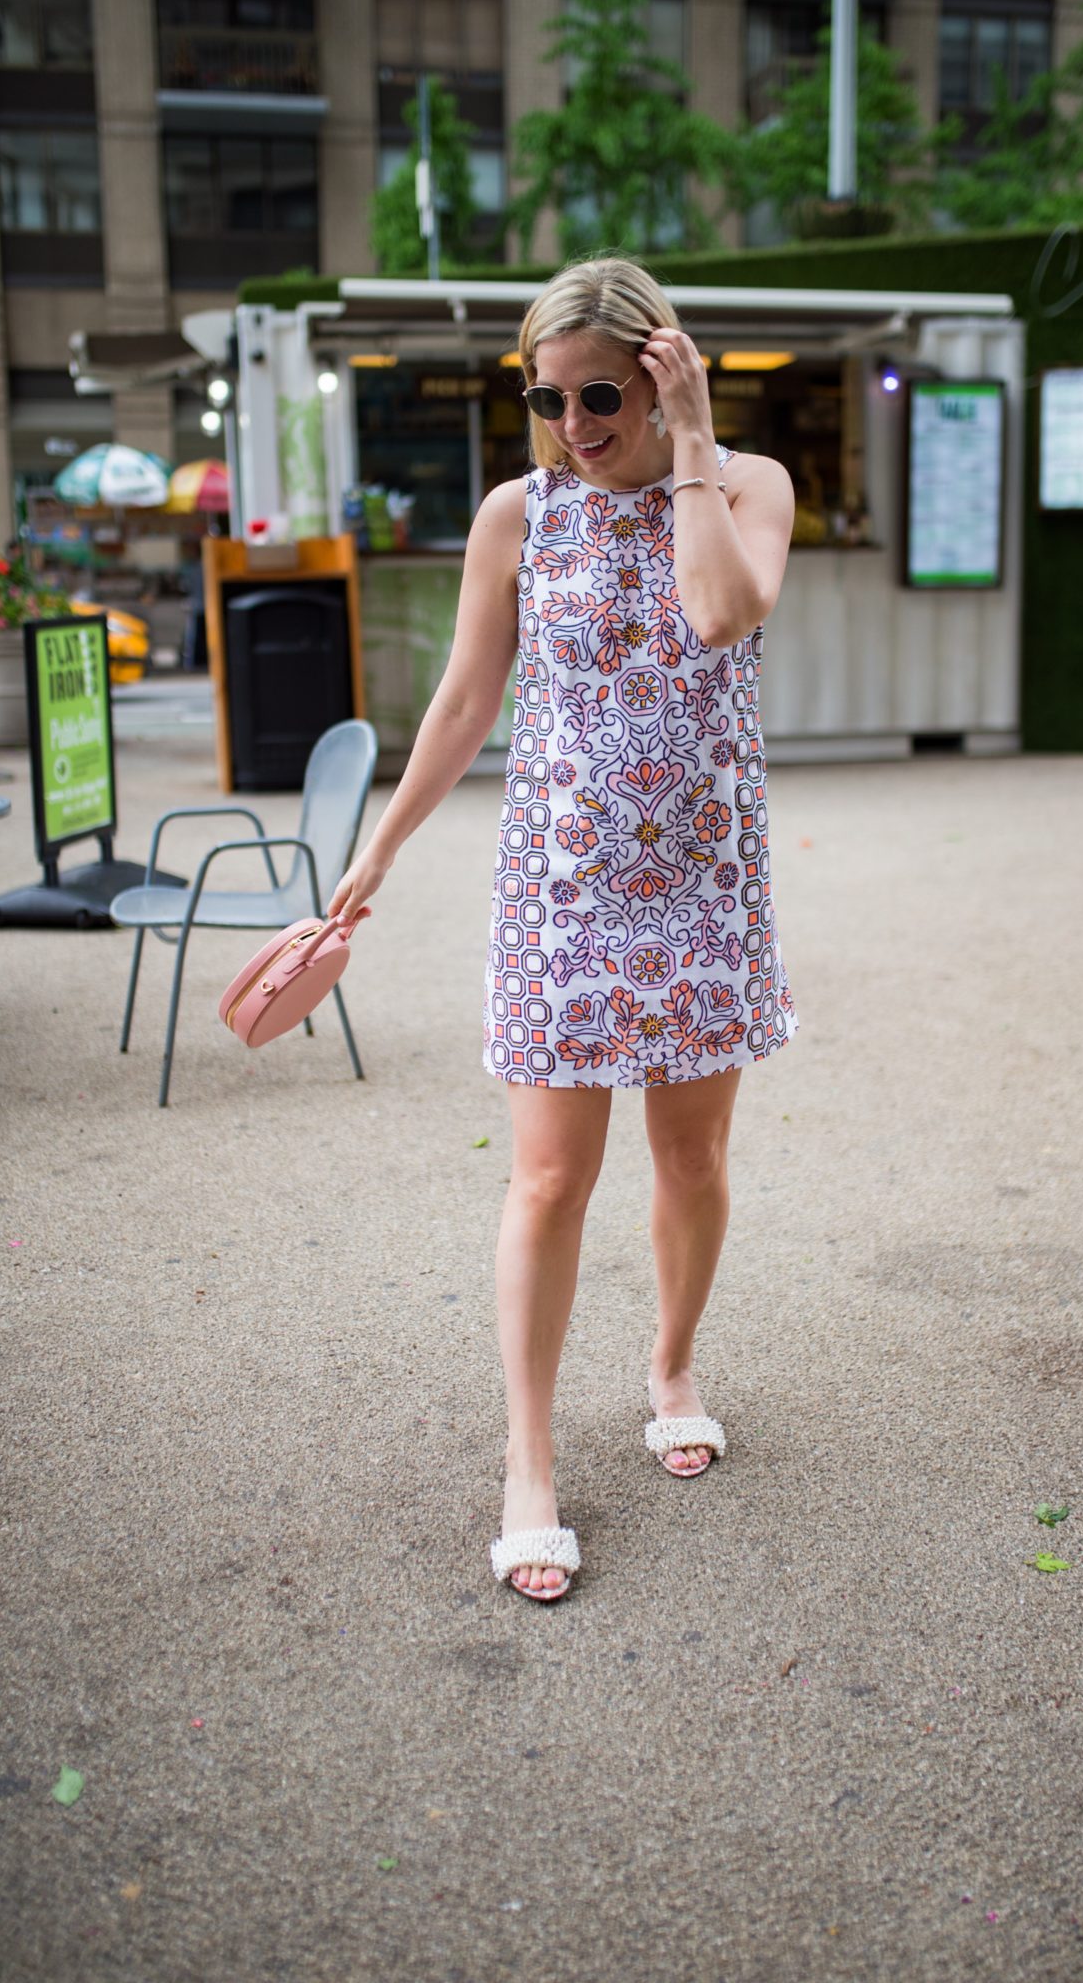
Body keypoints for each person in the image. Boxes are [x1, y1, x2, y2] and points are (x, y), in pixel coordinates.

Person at [327, 257, 797, 1601]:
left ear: (661, 372)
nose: (573, 425)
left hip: (704, 886)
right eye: (546, 396)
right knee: (545, 1180)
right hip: (561, 892)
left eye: (600, 394)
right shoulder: (514, 515)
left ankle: (668, 1366)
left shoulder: (747, 485)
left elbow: (717, 611)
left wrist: (694, 441)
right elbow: (467, 701)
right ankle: (527, 1459)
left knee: (693, 1161)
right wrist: (378, 849)